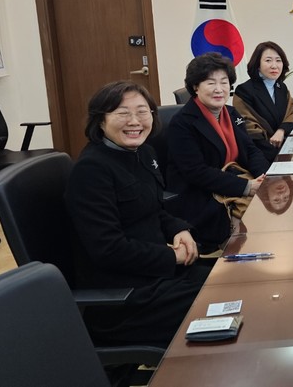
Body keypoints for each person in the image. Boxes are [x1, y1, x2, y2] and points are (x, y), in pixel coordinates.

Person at [64, 81, 209, 348]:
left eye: (142, 112)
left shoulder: (143, 153)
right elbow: (108, 249)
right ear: (100, 120)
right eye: (122, 113)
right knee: (224, 304)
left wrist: (179, 228)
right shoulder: (91, 171)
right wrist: (172, 256)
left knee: (233, 283)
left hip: (157, 276)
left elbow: (153, 208)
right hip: (125, 299)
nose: (134, 121)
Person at [166, 52, 270, 252]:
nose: (219, 89)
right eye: (210, 83)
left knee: (270, 205)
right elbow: (196, 172)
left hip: (231, 181)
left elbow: (250, 149)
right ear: (195, 86)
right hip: (200, 193)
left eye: (224, 82)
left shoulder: (230, 113)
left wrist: (264, 177)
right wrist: (247, 187)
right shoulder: (182, 122)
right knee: (251, 223)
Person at [233, 41, 293, 162]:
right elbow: (249, 127)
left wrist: (281, 130)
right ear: (257, 64)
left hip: (284, 148)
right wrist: (275, 152)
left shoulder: (281, 87)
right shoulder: (244, 90)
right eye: (268, 60)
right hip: (259, 154)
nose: (274, 66)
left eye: (278, 60)